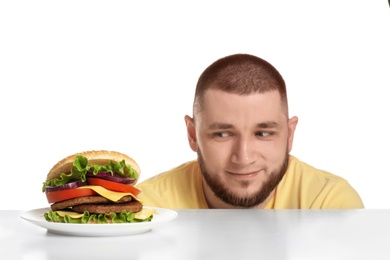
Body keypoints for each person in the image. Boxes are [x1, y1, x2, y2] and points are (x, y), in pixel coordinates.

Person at [135, 53, 364, 209]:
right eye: (222, 134)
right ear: (193, 135)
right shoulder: (147, 207)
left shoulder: (328, 203)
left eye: (263, 133)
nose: (243, 158)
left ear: (289, 135)